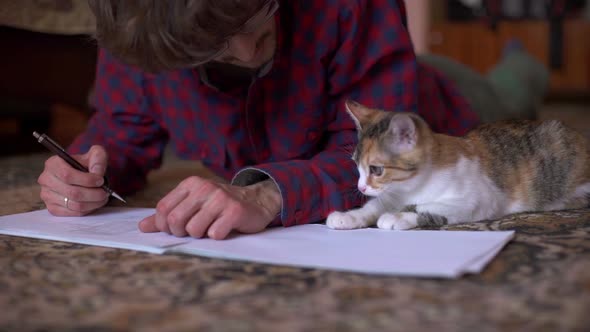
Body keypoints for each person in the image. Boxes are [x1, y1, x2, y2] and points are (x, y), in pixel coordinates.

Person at [37, 0, 547, 240]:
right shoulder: (141, 30)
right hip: (375, 100)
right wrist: (88, 171)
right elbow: (122, 128)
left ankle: (523, 57)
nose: (248, 49)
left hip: (443, 113)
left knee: (511, 90)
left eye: (260, 14)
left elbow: (370, 170)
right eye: (213, 48)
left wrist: (267, 193)